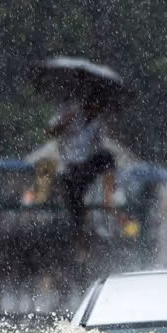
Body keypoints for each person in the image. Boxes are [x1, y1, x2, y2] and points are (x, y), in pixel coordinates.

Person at [47, 89, 116, 241]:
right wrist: (67, 120)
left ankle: (108, 198)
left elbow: (102, 141)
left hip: (85, 164)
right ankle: (80, 236)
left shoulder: (96, 120)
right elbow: (50, 132)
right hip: (70, 166)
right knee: (74, 200)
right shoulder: (68, 110)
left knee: (108, 156)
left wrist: (103, 129)